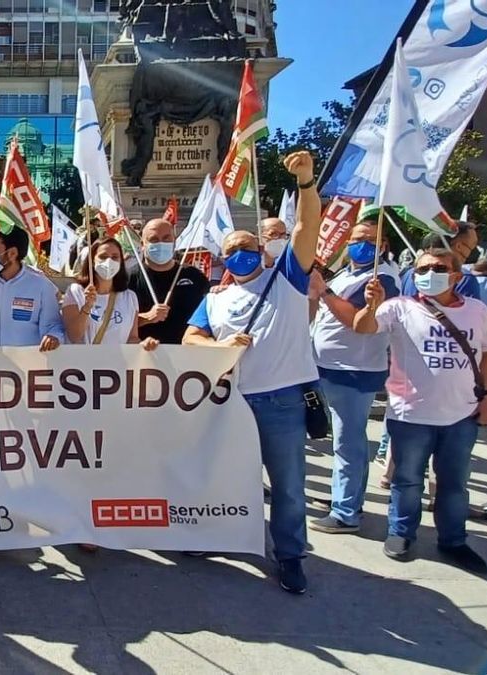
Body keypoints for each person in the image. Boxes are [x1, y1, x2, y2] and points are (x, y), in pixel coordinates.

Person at [184, 151, 322, 594]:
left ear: (262, 251)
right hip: (230, 402)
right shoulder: (215, 298)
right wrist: (218, 345)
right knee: (223, 478)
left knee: (287, 488)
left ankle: (290, 556)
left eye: (247, 248)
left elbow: (305, 230)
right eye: (231, 251)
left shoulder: (286, 280)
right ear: (221, 259)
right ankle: (215, 537)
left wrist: (305, 183)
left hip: (281, 401)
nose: (239, 255)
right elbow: (191, 340)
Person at [353, 249, 487, 574]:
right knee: (407, 481)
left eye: (438, 267)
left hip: (461, 415)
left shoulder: (477, 311)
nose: (429, 272)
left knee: (455, 483)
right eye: (422, 268)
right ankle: (401, 533)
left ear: (456, 276)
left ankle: (453, 541)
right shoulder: (399, 307)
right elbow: (363, 328)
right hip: (410, 415)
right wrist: (370, 304)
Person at [307, 215, 401, 534]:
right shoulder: (350, 273)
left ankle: (346, 512)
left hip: (352, 371)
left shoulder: (381, 279)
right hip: (330, 367)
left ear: (382, 247)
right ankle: (343, 496)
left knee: (348, 443)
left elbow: (356, 322)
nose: (360, 245)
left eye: (369, 241)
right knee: (343, 440)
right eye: (356, 240)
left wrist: (324, 292)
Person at [0, 227, 63, 350]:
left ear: (12, 253)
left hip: (28, 364)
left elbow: (53, 325)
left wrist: (53, 336)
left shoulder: (41, 285)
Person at [63, 236, 162, 348]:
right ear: (92, 260)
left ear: (121, 261)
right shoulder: (75, 292)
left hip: (117, 363)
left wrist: (143, 344)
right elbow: (74, 336)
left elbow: (131, 338)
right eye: (103, 257)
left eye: (115, 257)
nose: (109, 261)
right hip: (84, 363)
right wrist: (87, 307)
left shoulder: (130, 297)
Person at [128, 218, 211, 344]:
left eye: (166, 238)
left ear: (174, 241)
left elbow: (210, 314)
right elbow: (116, 322)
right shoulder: (128, 278)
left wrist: (219, 292)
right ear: (142, 244)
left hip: (186, 356)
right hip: (144, 356)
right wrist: (146, 318)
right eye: (153, 239)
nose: (161, 243)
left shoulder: (194, 276)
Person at [399, 224, 482, 300]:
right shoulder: (464, 278)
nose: (474, 251)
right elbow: (470, 314)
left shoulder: (409, 274)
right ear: (459, 246)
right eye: (472, 247)